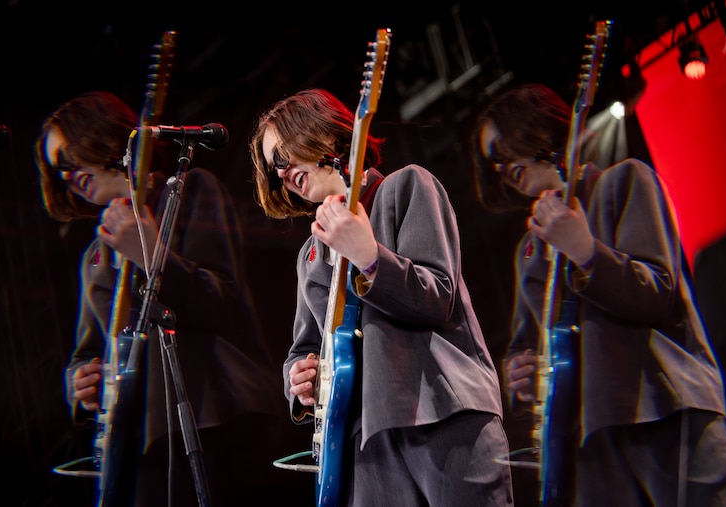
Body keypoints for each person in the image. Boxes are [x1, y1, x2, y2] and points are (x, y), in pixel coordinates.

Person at [36, 90, 311, 506]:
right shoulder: (94, 255)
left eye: (68, 158)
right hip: (141, 443)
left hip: (215, 422)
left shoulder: (186, 192)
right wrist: (80, 381)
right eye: (57, 169)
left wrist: (152, 256)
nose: (65, 174)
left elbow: (224, 302)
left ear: (99, 136)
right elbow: (89, 351)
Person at [469, 82, 726, 506]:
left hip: (664, 413)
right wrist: (520, 375)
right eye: (491, 163)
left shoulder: (623, 181)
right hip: (587, 446)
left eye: (503, 149)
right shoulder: (531, 250)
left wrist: (585, 252)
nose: (500, 167)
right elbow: (528, 348)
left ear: (536, 129)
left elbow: (657, 293)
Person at [248, 88, 514, 506]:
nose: (281, 173)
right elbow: (302, 349)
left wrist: (368, 256)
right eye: (272, 168)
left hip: (440, 413)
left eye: (283, 156)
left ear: (320, 133)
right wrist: (297, 379)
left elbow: (438, 296)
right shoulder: (311, 254)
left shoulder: (405, 187)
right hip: (361, 443)